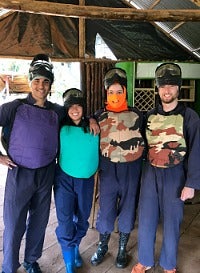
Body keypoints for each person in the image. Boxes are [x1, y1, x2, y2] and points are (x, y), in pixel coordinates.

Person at [0, 54, 99, 273]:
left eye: (45, 81)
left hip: (46, 172)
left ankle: (31, 260)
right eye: (37, 81)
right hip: (19, 172)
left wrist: (91, 118)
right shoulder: (13, 107)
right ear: (30, 81)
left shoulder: (57, 111)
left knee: (39, 220)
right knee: (14, 222)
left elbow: (77, 112)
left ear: (50, 85)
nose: (41, 85)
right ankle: (9, 266)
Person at [131, 63, 200, 273]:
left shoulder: (190, 117)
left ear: (178, 88)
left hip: (176, 175)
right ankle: (145, 260)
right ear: (157, 88)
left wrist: (191, 184)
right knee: (147, 218)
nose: (166, 90)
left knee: (172, 221)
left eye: (171, 86)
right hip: (151, 173)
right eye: (162, 86)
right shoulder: (149, 116)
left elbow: (197, 151)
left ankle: (169, 264)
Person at [90, 67, 145, 269]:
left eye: (118, 91)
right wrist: (89, 118)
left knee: (129, 207)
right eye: (111, 92)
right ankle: (102, 245)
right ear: (106, 93)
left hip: (131, 170)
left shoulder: (138, 115)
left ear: (125, 92)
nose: (115, 96)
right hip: (108, 170)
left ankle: (122, 247)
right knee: (106, 209)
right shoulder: (98, 116)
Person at [53, 88, 99, 273]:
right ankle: (69, 262)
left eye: (78, 106)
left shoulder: (94, 126)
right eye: (70, 106)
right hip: (64, 178)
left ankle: (73, 247)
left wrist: (93, 119)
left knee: (82, 218)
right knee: (64, 220)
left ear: (84, 108)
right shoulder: (59, 126)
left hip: (86, 180)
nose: (74, 110)